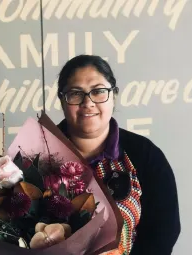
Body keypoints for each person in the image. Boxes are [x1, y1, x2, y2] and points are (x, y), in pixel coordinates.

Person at [55, 55, 181, 255]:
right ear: (62, 100)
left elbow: (163, 231)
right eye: (75, 93)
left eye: (98, 91)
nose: (87, 103)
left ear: (114, 95)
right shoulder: (38, 156)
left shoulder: (145, 155)